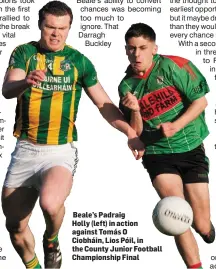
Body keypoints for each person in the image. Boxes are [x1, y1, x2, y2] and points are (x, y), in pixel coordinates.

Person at [1, 2, 145, 269]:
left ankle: (52, 240)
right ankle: (33, 265)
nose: (56, 34)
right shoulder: (24, 53)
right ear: (40, 26)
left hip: (59, 151)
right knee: (15, 228)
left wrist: (129, 132)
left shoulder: (79, 61)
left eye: (62, 29)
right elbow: (8, 89)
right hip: (25, 149)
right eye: (50, 27)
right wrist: (26, 82)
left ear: (69, 29)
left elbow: (104, 104)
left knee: (50, 203)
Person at [119, 23, 215, 269]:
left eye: (142, 48)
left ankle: (204, 227)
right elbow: (136, 133)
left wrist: (175, 125)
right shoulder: (127, 87)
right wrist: (135, 111)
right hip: (158, 154)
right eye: (131, 49)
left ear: (154, 48)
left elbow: (200, 102)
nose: (137, 55)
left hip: (190, 147)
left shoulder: (175, 65)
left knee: (202, 224)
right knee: (174, 212)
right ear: (126, 51)